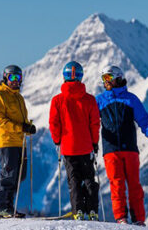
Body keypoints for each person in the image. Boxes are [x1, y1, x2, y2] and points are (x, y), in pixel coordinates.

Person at [96, 65, 148, 226]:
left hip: (130, 149)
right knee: (116, 184)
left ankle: (138, 219)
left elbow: (143, 120)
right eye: (104, 78)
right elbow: (89, 121)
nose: (105, 82)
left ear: (117, 78)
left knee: (134, 185)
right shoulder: (99, 100)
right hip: (111, 149)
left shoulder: (131, 99)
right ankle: (121, 218)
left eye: (108, 78)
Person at [49, 61, 101, 221]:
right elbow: (95, 123)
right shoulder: (89, 100)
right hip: (85, 147)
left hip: (68, 148)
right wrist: (94, 143)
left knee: (74, 181)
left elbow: (54, 123)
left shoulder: (57, 100)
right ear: (80, 76)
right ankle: (92, 210)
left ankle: (78, 211)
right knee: (89, 179)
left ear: (64, 77)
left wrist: (57, 140)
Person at [0, 64, 36, 219]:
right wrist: (20, 127)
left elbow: (20, 119)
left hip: (19, 142)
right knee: (8, 174)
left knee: (18, 176)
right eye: (12, 77)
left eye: (18, 78)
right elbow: (0, 120)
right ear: (5, 78)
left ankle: (8, 207)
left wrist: (27, 127)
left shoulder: (19, 97)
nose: (16, 81)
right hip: (7, 141)